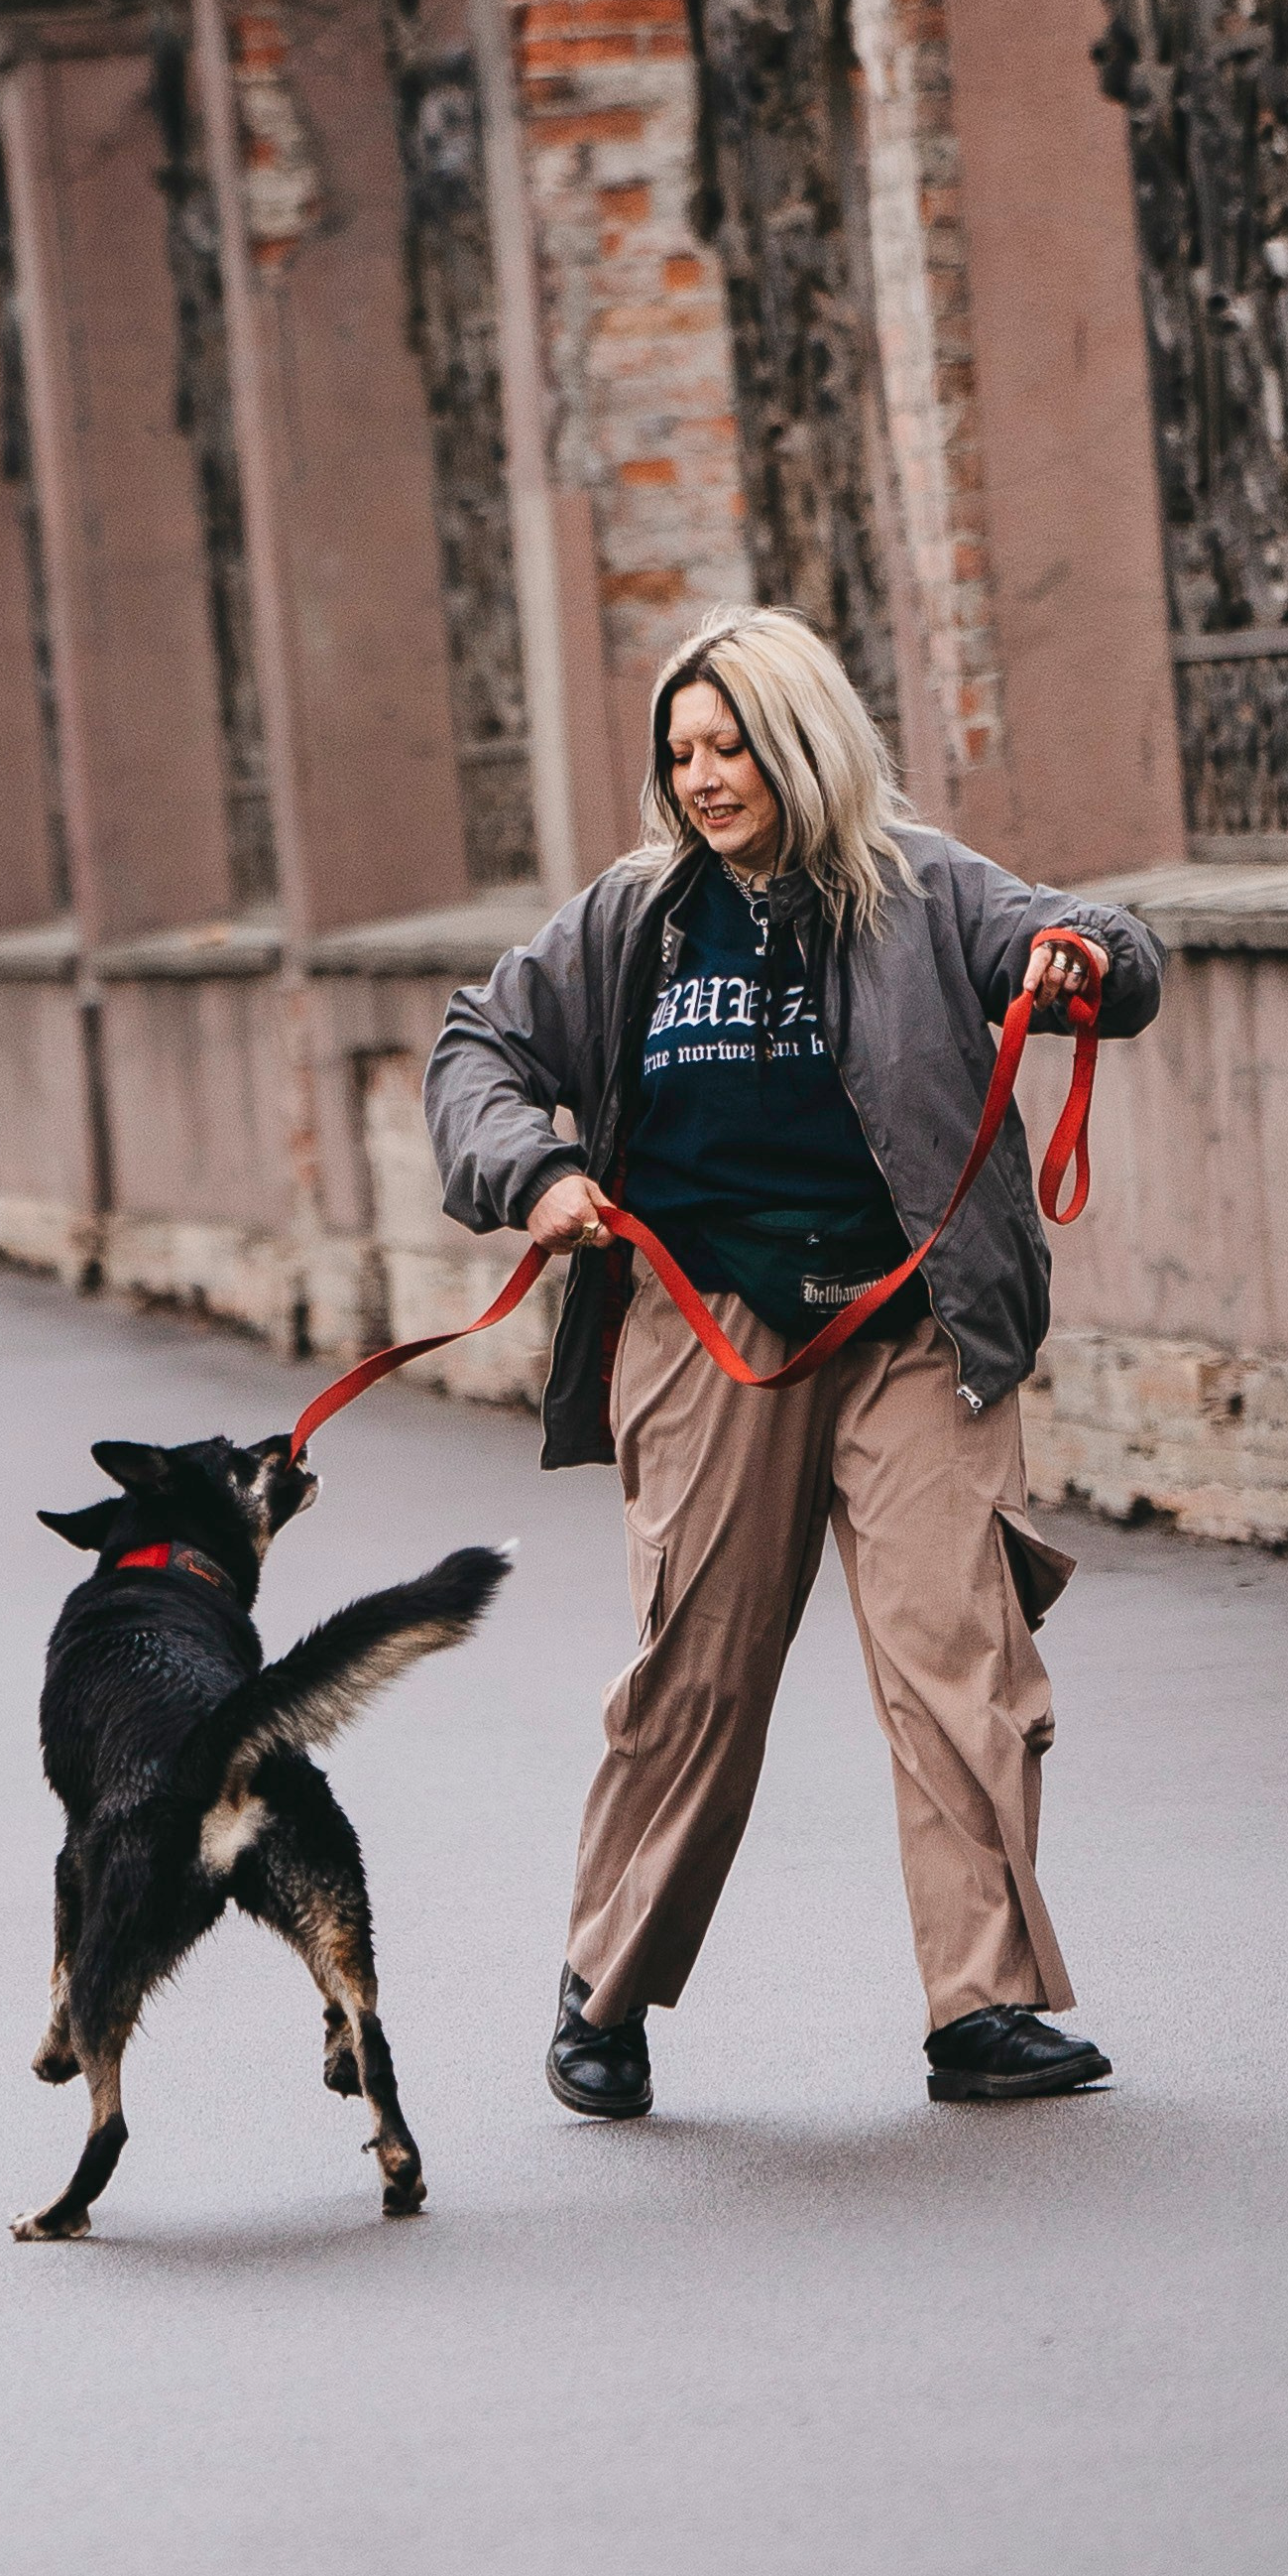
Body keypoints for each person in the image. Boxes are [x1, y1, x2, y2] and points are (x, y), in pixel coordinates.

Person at [424, 605, 1164, 2115]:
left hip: (909, 1327)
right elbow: (475, 1050)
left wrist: (1076, 958)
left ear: (801, 738)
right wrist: (532, 1173)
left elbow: (1099, 952)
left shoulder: (919, 885)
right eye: (681, 749)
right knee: (696, 1670)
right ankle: (605, 1986)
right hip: (710, 1328)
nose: (702, 774)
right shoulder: (633, 917)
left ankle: (985, 2004)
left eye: (730, 742)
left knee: (960, 1655)